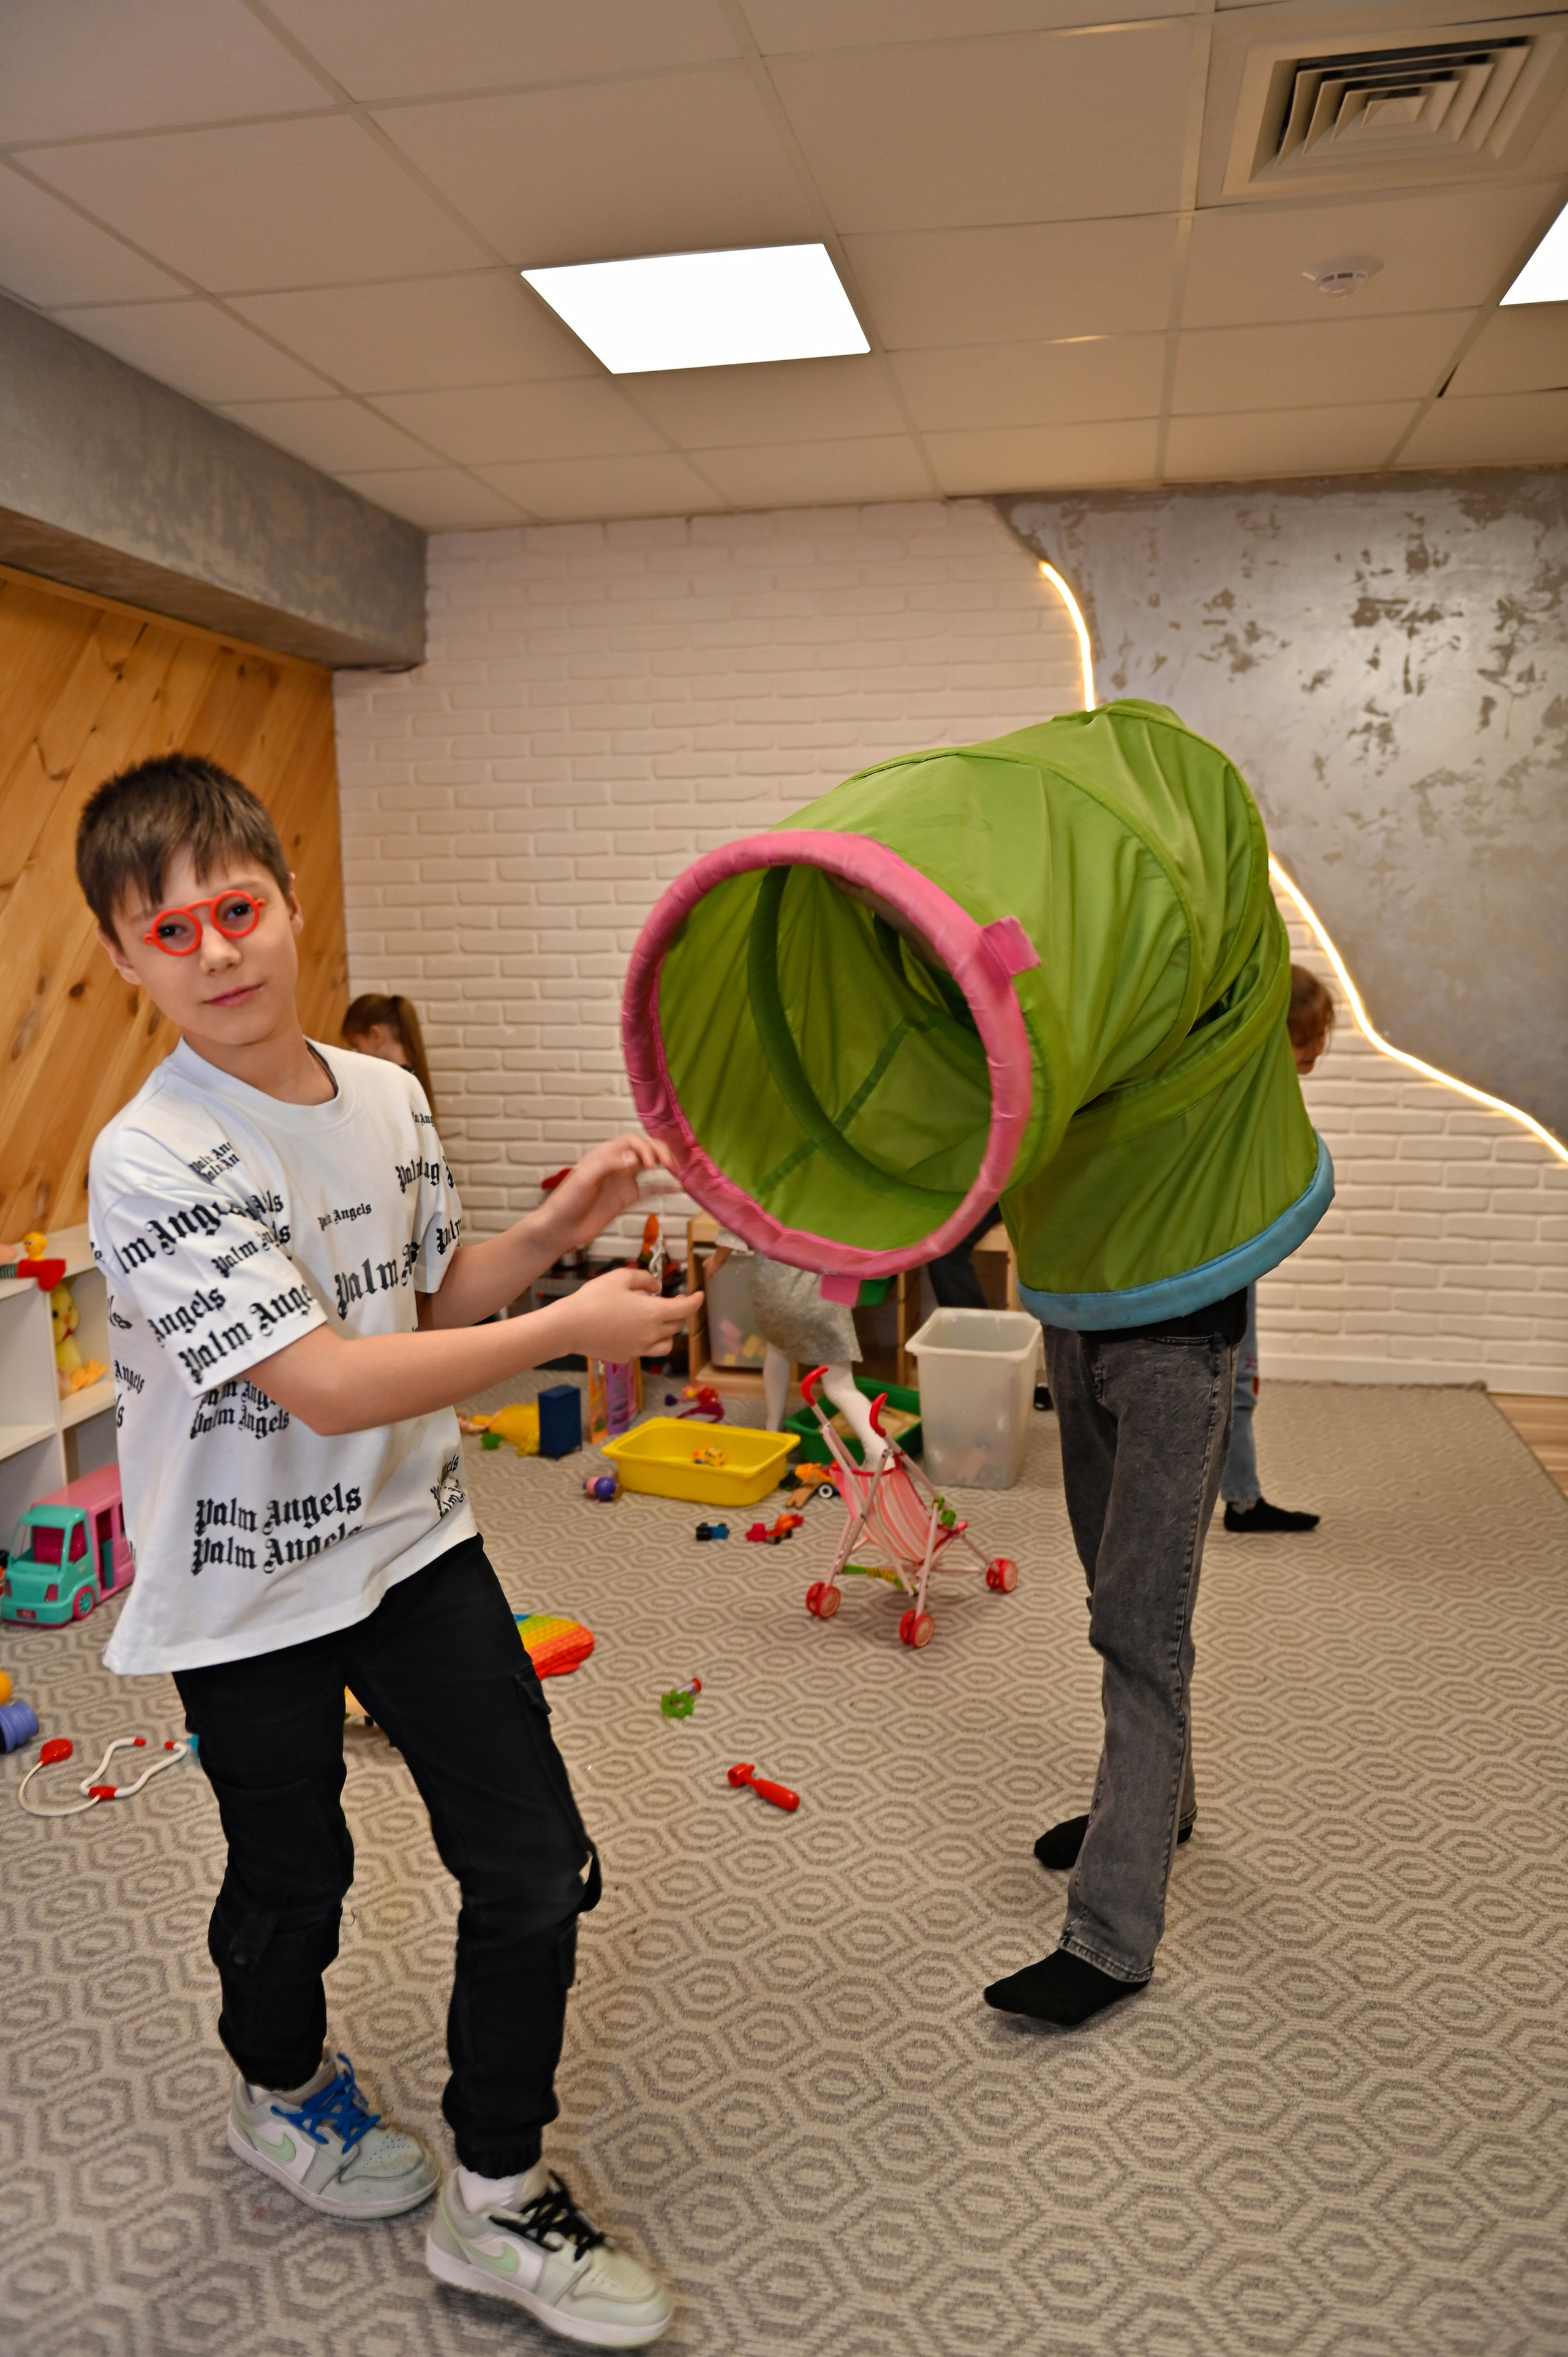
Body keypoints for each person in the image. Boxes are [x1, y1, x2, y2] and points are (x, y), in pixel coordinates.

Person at [78, 753, 693, 2350]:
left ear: (290, 907)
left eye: (238, 908)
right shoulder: (150, 1158)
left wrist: (552, 1237)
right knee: (298, 1876)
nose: (215, 951)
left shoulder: (388, 1098)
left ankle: (498, 2203)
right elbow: (325, 1381)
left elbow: (417, 1312)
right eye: (170, 932)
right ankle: (282, 2095)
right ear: (125, 958)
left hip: (410, 1542)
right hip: (240, 1588)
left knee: (535, 1865)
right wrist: (571, 1327)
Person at [1221, 967, 1336, 1534]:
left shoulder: (1266, 1091)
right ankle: (1240, 1500)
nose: (1315, 1049)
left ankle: (1243, 1495)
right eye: (1304, 1038)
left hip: (1239, 1244)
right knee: (1232, 1376)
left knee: (1240, 1376)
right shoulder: (1248, 1092)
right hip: (1222, 1249)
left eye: (1320, 1036)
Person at [343, 991, 437, 1117]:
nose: (356, 1053)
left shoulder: (391, 1085)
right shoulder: (411, 1078)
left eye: (356, 1045)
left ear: (375, 1036)